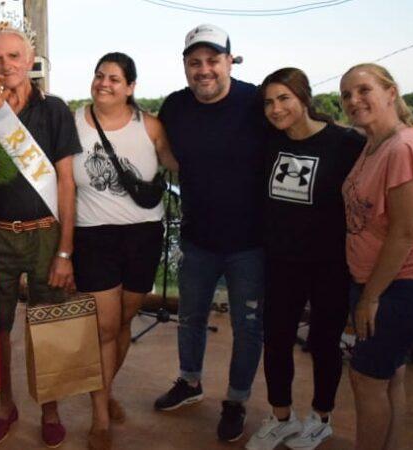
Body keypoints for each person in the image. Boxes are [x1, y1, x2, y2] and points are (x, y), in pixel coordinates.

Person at [152, 23, 267, 442]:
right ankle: (190, 382)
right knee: (190, 318)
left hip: (251, 243)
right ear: (185, 66)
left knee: (248, 327)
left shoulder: (256, 101)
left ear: (229, 61)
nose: (204, 70)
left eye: (212, 60)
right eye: (195, 62)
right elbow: (163, 153)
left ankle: (235, 401)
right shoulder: (175, 107)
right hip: (197, 237)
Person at [0, 7, 82, 448]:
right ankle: (6, 405)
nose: (7, 65)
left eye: (14, 56)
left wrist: (64, 252)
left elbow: (66, 183)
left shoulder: (54, 109)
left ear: (30, 57)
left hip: (43, 234)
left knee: (49, 326)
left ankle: (50, 409)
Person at [244, 68, 365, 450]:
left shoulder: (345, 143)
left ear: (304, 98)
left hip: (330, 263)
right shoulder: (269, 141)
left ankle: (321, 418)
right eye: (269, 102)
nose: (276, 109)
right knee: (276, 340)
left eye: (284, 99)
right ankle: (281, 418)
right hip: (281, 261)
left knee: (324, 342)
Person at [72, 52, 177, 449]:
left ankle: (105, 389)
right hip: (94, 236)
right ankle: (99, 417)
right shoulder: (73, 123)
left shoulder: (150, 126)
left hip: (143, 236)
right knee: (102, 327)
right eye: (99, 75)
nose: (104, 83)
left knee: (122, 323)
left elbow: (178, 163)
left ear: (130, 87)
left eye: (115, 78)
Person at [340, 63, 413, 450]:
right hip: (375, 283)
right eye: (346, 95)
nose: (354, 100)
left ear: (390, 92)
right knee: (392, 376)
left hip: (398, 286)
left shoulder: (404, 147)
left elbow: (406, 232)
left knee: (366, 380)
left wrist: (371, 296)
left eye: (363, 90)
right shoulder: (373, 145)